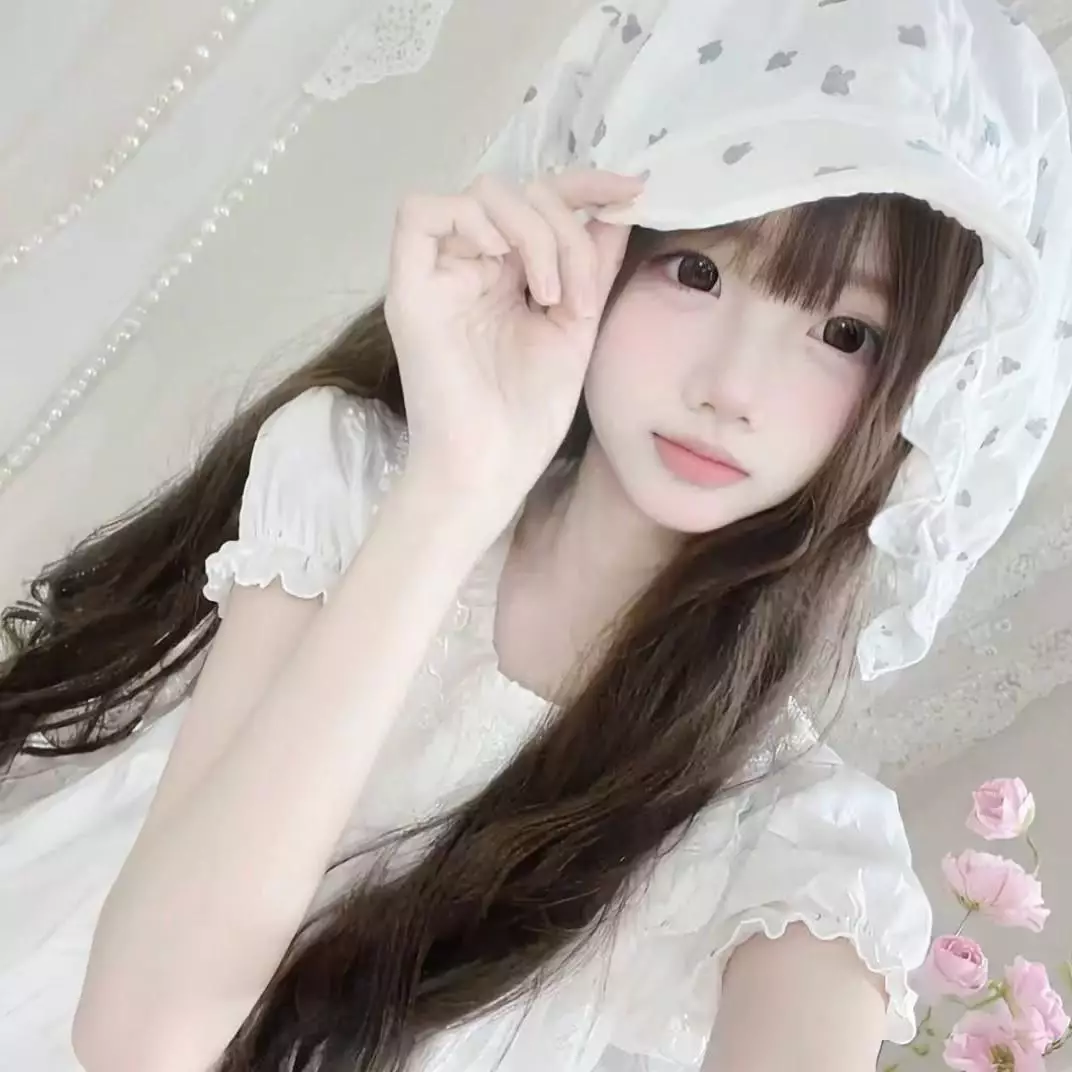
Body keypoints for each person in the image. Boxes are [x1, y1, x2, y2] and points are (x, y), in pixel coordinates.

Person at [1, 0, 1069, 1070]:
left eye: (844, 333)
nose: (731, 388)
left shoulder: (792, 847)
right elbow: (143, 1039)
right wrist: (455, 486)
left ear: (928, 396)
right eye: (698, 270)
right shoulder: (351, 483)